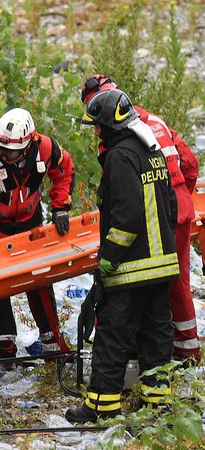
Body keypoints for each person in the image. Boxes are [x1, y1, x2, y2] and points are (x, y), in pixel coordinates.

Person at [66, 88, 179, 423]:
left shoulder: (119, 157)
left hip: (131, 268)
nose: (96, 133)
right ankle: (157, 404)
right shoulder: (151, 150)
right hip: (162, 266)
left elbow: (126, 218)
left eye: (98, 126)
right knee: (156, 336)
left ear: (111, 125)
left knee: (112, 336)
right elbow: (169, 205)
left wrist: (108, 260)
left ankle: (101, 406)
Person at [81, 74, 201, 363]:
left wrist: (111, 250)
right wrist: (183, 195)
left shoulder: (118, 136)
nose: (96, 131)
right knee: (176, 282)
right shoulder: (155, 122)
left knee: (147, 285)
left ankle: (153, 349)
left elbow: (123, 195)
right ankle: (186, 348)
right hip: (178, 209)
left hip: (151, 215)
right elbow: (190, 164)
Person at [0, 108, 74, 359]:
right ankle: (4, 348)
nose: (6, 155)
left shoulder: (46, 148)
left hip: (29, 221)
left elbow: (64, 170)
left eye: (12, 151)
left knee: (39, 276)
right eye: (2, 149)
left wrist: (61, 207)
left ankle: (52, 342)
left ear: (29, 143)